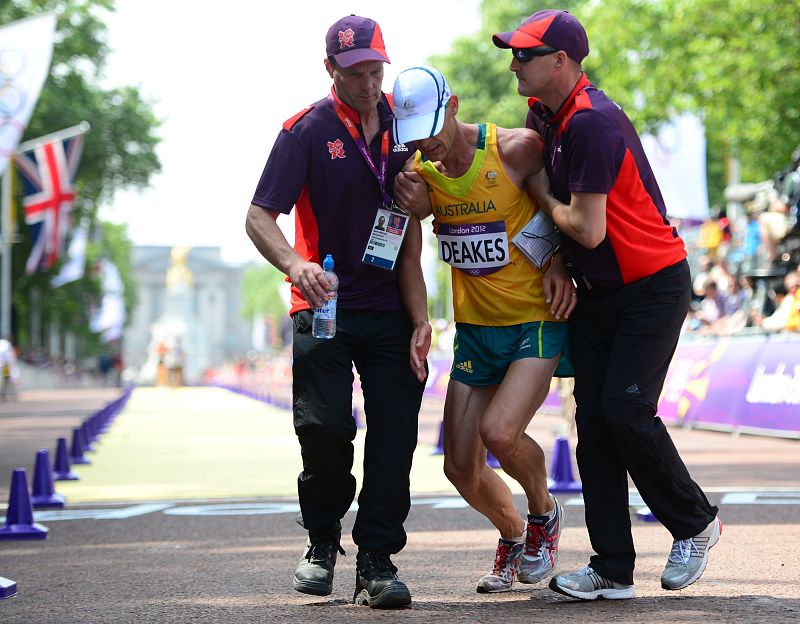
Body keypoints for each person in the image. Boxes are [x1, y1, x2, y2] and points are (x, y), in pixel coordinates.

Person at [493, 9, 721, 600]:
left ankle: (695, 522)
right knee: (592, 428)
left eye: (524, 55)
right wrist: (556, 263)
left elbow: (587, 228)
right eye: (513, 54)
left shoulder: (591, 122)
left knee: (624, 411)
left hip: (652, 287)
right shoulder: (543, 113)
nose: (514, 64)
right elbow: (567, 227)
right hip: (597, 293)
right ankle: (612, 568)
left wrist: (541, 194)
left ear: (560, 61)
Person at [244, 15, 429, 609]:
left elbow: (434, 201)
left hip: (390, 308)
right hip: (323, 305)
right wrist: (295, 265)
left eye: (377, 71)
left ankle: (377, 560)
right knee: (325, 429)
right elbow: (258, 217)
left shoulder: (407, 122)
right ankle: (322, 538)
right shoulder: (304, 131)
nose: (370, 84)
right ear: (331, 70)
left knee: (395, 435)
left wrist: (423, 199)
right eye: (356, 74)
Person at [392, 65, 575, 593]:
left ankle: (543, 514)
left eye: (431, 128)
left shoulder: (516, 149)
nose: (425, 144)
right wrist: (421, 319)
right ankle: (512, 532)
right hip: (475, 329)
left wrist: (559, 263)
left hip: (533, 318)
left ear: (452, 105)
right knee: (460, 468)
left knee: (499, 432)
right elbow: (410, 251)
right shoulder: (418, 174)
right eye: (413, 135)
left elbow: (559, 209)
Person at [0, 336, 19, 402]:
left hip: (4, 365)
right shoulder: (7, 345)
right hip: (5, 366)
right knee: (6, 380)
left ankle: (4, 396)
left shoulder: (2, 343)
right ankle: (12, 396)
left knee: (5, 380)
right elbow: (8, 357)